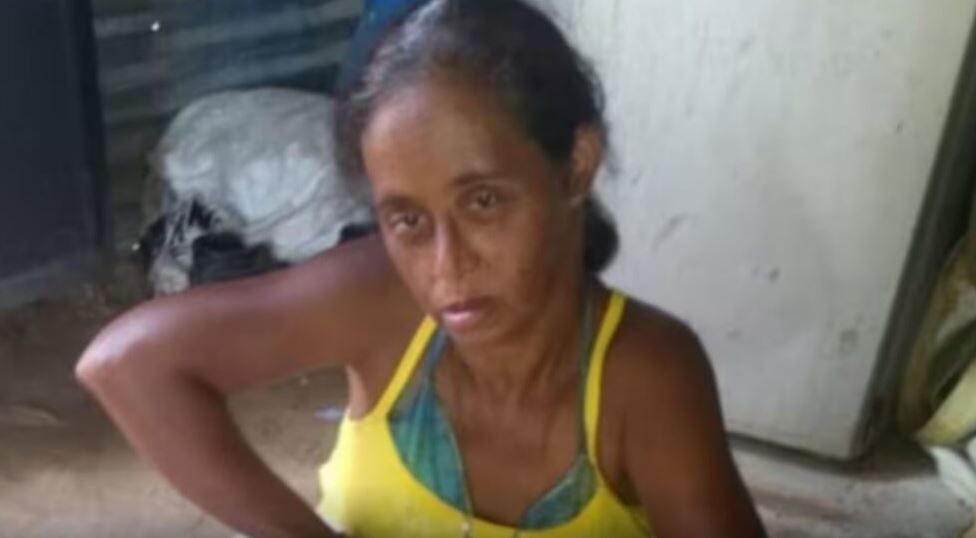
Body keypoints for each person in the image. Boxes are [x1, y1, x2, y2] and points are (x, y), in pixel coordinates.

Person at [76, 0, 767, 536]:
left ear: (574, 168)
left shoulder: (644, 380)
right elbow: (127, 365)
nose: (446, 267)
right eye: (407, 219)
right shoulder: (383, 300)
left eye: (484, 201)